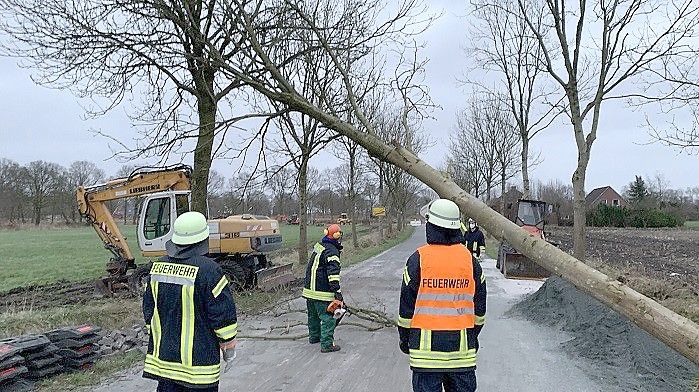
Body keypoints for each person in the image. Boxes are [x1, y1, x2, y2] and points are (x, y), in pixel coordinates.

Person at [143, 212, 238, 392]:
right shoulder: (209, 270)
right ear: (203, 239)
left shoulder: (157, 267)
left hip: (164, 363)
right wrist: (228, 344)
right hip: (198, 367)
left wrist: (158, 335)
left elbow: (149, 309)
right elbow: (223, 315)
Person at [398, 199, 487, 392]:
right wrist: (472, 335)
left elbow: (406, 310)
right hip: (462, 355)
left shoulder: (418, 260)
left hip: (426, 358)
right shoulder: (470, 261)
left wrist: (405, 340)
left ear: (432, 227)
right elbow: (479, 311)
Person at [302, 224, 344, 353]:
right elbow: (333, 274)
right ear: (337, 236)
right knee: (329, 317)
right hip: (322, 292)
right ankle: (326, 344)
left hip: (309, 291)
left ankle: (314, 337)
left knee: (313, 316)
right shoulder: (332, 251)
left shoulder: (319, 246)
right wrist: (337, 292)